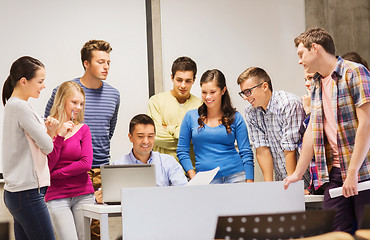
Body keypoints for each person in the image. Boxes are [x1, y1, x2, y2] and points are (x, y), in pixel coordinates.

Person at [284, 27, 370, 233]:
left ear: (315, 48)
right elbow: (313, 130)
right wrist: (298, 172)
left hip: (363, 172)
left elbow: (366, 124)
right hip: (333, 174)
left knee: (366, 231)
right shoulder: (315, 83)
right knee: (336, 233)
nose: (299, 61)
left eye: (301, 54)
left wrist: (352, 172)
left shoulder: (354, 72)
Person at [44, 40, 120, 239]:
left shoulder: (113, 95)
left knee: (94, 234)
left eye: (109, 62)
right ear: (86, 63)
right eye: (101, 62)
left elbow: (108, 132)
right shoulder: (65, 91)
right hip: (61, 181)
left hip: (98, 172)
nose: (106, 67)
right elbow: (49, 129)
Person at [2, 56, 57, 239]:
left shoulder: (14, 105)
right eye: (40, 81)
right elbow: (47, 146)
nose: (43, 86)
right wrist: (52, 131)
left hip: (19, 193)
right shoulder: (21, 107)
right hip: (27, 194)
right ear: (23, 81)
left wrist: (47, 129)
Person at [177, 69, 254, 183]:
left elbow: (246, 152)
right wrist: (194, 177)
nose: (208, 97)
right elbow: (182, 151)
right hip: (205, 179)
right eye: (204, 92)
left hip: (236, 176)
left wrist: (250, 181)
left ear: (223, 90)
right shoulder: (190, 117)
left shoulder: (236, 117)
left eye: (212, 92)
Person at [237, 67, 309, 186]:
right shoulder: (251, 112)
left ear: (264, 86)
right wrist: (269, 187)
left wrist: (293, 185)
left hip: (304, 179)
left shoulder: (288, 104)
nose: (245, 97)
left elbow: (290, 148)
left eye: (248, 92)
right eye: (243, 93)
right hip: (281, 180)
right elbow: (261, 149)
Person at [94, 114, 187, 203]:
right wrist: (99, 198)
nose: (146, 141)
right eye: (140, 136)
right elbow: (109, 196)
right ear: (130, 137)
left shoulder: (168, 162)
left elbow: (183, 190)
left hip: (163, 214)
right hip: (130, 216)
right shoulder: (118, 166)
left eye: (150, 136)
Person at [45, 81, 94, 240]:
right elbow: (47, 165)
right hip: (57, 196)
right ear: (62, 100)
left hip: (83, 194)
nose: (78, 107)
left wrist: (55, 175)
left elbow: (86, 163)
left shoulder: (83, 129)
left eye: (81, 103)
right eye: (74, 102)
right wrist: (59, 136)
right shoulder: (48, 128)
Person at [147, 56, 202, 167]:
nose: (183, 85)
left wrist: (169, 128)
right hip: (162, 169)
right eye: (179, 80)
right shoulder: (156, 101)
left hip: (190, 170)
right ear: (172, 77)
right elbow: (154, 137)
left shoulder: (200, 105)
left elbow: (198, 139)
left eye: (188, 81)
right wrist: (186, 138)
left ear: (194, 80)